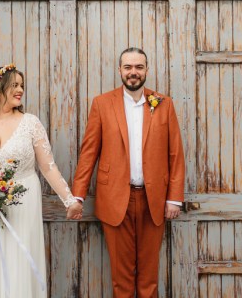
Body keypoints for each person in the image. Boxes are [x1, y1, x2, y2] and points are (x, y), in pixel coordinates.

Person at [0, 63, 82, 298]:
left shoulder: (31, 123)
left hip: (23, 202)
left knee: (20, 263)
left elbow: (48, 167)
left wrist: (69, 200)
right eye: (14, 85)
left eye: (22, 85)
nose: (20, 89)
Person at [68, 47, 185, 297]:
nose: (133, 72)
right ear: (120, 70)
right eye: (128, 67)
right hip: (115, 199)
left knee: (149, 279)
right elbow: (89, 154)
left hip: (153, 201)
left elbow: (175, 154)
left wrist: (174, 198)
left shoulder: (164, 104)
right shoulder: (102, 103)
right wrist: (77, 197)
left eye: (139, 67)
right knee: (121, 281)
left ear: (147, 71)